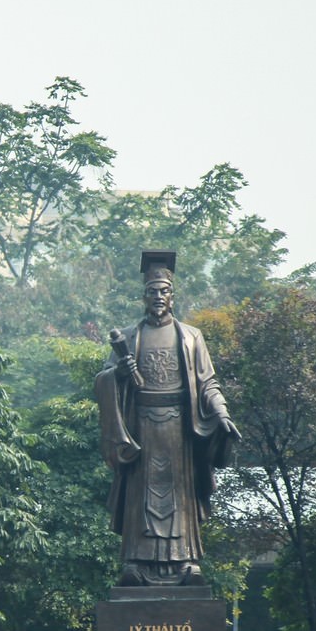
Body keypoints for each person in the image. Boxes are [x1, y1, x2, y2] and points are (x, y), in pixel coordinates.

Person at [94, 250, 242, 587]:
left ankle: (186, 562)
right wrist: (118, 371)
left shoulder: (190, 337)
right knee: (140, 498)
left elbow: (208, 382)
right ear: (143, 296)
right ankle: (135, 562)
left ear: (172, 296)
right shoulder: (130, 337)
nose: (158, 297)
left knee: (179, 498)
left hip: (180, 428)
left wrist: (220, 412)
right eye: (152, 291)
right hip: (141, 428)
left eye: (164, 291)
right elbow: (102, 380)